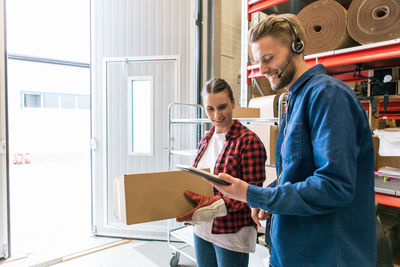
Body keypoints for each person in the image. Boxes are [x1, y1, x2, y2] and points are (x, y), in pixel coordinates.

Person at [205, 14, 376, 266]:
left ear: (296, 47)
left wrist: (253, 195)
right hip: (294, 252)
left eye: (268, 58)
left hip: (325, 254)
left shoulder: (327, 95)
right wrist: (267, 193)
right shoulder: (295, 99)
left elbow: (334, 187)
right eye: (257, 61)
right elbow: (298, 173)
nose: (262, 70)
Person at [176, 78, 267, 267]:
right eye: (210, 109)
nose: (217, 115)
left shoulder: (249, 142)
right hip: (202, 228)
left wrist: (213, 208)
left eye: (222, 107)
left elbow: (253, 193)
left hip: (231, 232)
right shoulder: (206, 138)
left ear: (234, 103)